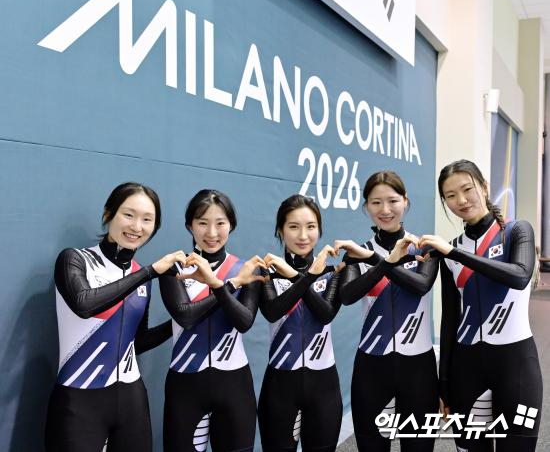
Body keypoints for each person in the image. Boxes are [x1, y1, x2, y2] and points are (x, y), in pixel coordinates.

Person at [45, 182, 185, 452]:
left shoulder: (141, 277)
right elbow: (84, 304)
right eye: (128, 215)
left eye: (147, 219)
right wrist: (149, 272)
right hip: (79, 398)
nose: (137, 227)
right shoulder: (75, 259)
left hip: (132, 400)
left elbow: (137, 341)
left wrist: (181, 322)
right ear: (109, 213)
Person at [419, 159, 542, 452]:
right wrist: (444, 383)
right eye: (450, 195)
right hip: (466, 369)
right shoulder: (450, 250)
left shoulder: (516, 231)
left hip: (516, 366)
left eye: (467, 189)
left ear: (484, 187)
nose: (461, 200)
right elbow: (450, 319)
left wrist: (454, 253)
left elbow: (520, 276)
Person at [338, 171, 439, 452]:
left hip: (418, 368)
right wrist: (381, 260)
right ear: (366, 207)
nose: (385, 210)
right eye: (376, 202)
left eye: (393, 201)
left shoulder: (425, 247)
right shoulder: (356, 253)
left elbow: (421, 285)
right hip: (372, 367)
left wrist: (376, 260)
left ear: (405, 201)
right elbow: (347, 295)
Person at [159, 189, 264, 452]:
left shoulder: (246, 269)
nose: (212, 233)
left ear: (232, 225)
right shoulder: (174, 268)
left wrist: (218, 284)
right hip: (185, 385)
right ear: (189, 225)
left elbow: (244, 322)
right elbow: (186, 316)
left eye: (220, 223)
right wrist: (230, 285)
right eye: (202, 223)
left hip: (234, 386)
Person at [258, 194, 343, 452]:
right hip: (280, 388)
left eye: (310, 227)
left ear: (319, 230)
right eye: (294, 227)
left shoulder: (332, 273)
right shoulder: (267, 273)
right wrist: (302, 278)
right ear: (280, 230)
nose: (303, 235)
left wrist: (298, 276)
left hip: (324, 387)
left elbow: (325, 314)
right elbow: (272, 312)